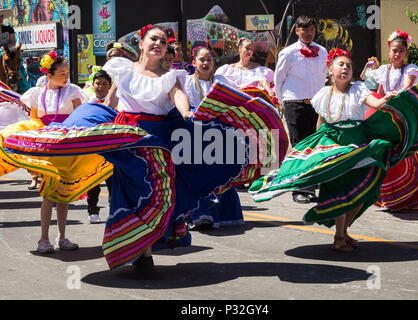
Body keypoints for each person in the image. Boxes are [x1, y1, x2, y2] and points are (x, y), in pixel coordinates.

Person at [4, 24, 287, 277]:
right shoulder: (123, 69)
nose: (158, 44)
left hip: (158, 138)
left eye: (163, 42)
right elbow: (112, 101)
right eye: (153, 39)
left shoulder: (171, 75)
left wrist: (188, 112)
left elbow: (178, 97)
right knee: (130, 191)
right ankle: (142, 251)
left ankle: (145, 247)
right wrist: (99, 128)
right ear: (141, 43)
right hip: (127, 138)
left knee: (158, 188)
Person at [249, 48, 418, 251]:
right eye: (341, 65)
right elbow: (321, 122)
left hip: (357, 141)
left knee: (365, 189)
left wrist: (385, 100)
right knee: (339, 188)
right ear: (331, 70)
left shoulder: (358, 89)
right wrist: (317, 149)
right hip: (333, 143)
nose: (345, 68)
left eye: (349, 66)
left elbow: (374, 102)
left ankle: (342, 233)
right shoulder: (323, 94)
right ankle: (339, 237)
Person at [19, 52, 86, 253]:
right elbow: (33, 122)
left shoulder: (73, 91)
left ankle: (62, 237)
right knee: (48, 194)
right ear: (49, 75)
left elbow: (80, 117)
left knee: (63, 194)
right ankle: (43, 239)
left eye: (67, 72)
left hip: (66, 146)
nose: (66, 77)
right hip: (48, 146)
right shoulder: (37, 93)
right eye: (61, 74)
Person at [183, 46, 244, 229]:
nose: (205, 63)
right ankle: (200, 213)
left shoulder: (220, 80)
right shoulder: (186, 82)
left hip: (219, 130)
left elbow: (237, 99)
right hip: (194, 132)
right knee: (199, 173)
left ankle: (224, 215)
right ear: (193, 63)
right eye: (201, 59)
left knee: (221, 172)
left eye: (209, 59)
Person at [274, 15, 328, 204]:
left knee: (317, 145)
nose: (308, 33)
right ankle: (300, 189)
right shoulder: (288, 53)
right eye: (304, 30)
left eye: (311, 30)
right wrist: (283, 102)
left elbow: (324, 76)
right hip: (294, 103)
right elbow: (278, 79)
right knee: (299, 145)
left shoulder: (322, 51)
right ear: (297, 31)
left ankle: (313, 183)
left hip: (316, 104)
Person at [371, 30, 418, 212]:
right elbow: (378, 94)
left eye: (401, 50)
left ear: (405, 52)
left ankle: (413, 199)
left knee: (407, 155)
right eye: (394, 50)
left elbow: (406, 89)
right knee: (386, 155)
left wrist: (394, 96)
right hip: (387, 117)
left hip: (404, 118)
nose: (397, 54)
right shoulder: (383, 71)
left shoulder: (410, 70)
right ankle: (389, 198)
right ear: (389, 51)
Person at [86, 69, 113, 223]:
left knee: (112, 182)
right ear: (93, 84)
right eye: (98, 83)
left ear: (109, 86)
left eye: (104, 84)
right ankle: (92, 210)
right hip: (93, 147)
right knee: (92, 182)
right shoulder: (88, 102)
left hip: (110, 147)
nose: (101, 87)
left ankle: (113, 210)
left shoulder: (115, 101)